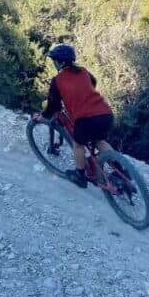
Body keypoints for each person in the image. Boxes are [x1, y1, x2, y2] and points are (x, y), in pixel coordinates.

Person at [32, 43, 114, 189]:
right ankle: (121, 169)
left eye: (54, 60)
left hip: (86, 118)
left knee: (78, 145)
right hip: (105, 113)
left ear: (60, 62)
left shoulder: (57, 80)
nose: (54, 63)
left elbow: (53, 106)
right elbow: (93, 83)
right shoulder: (83, 71)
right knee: (100, 141)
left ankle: (79, 175)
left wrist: (42, 117)